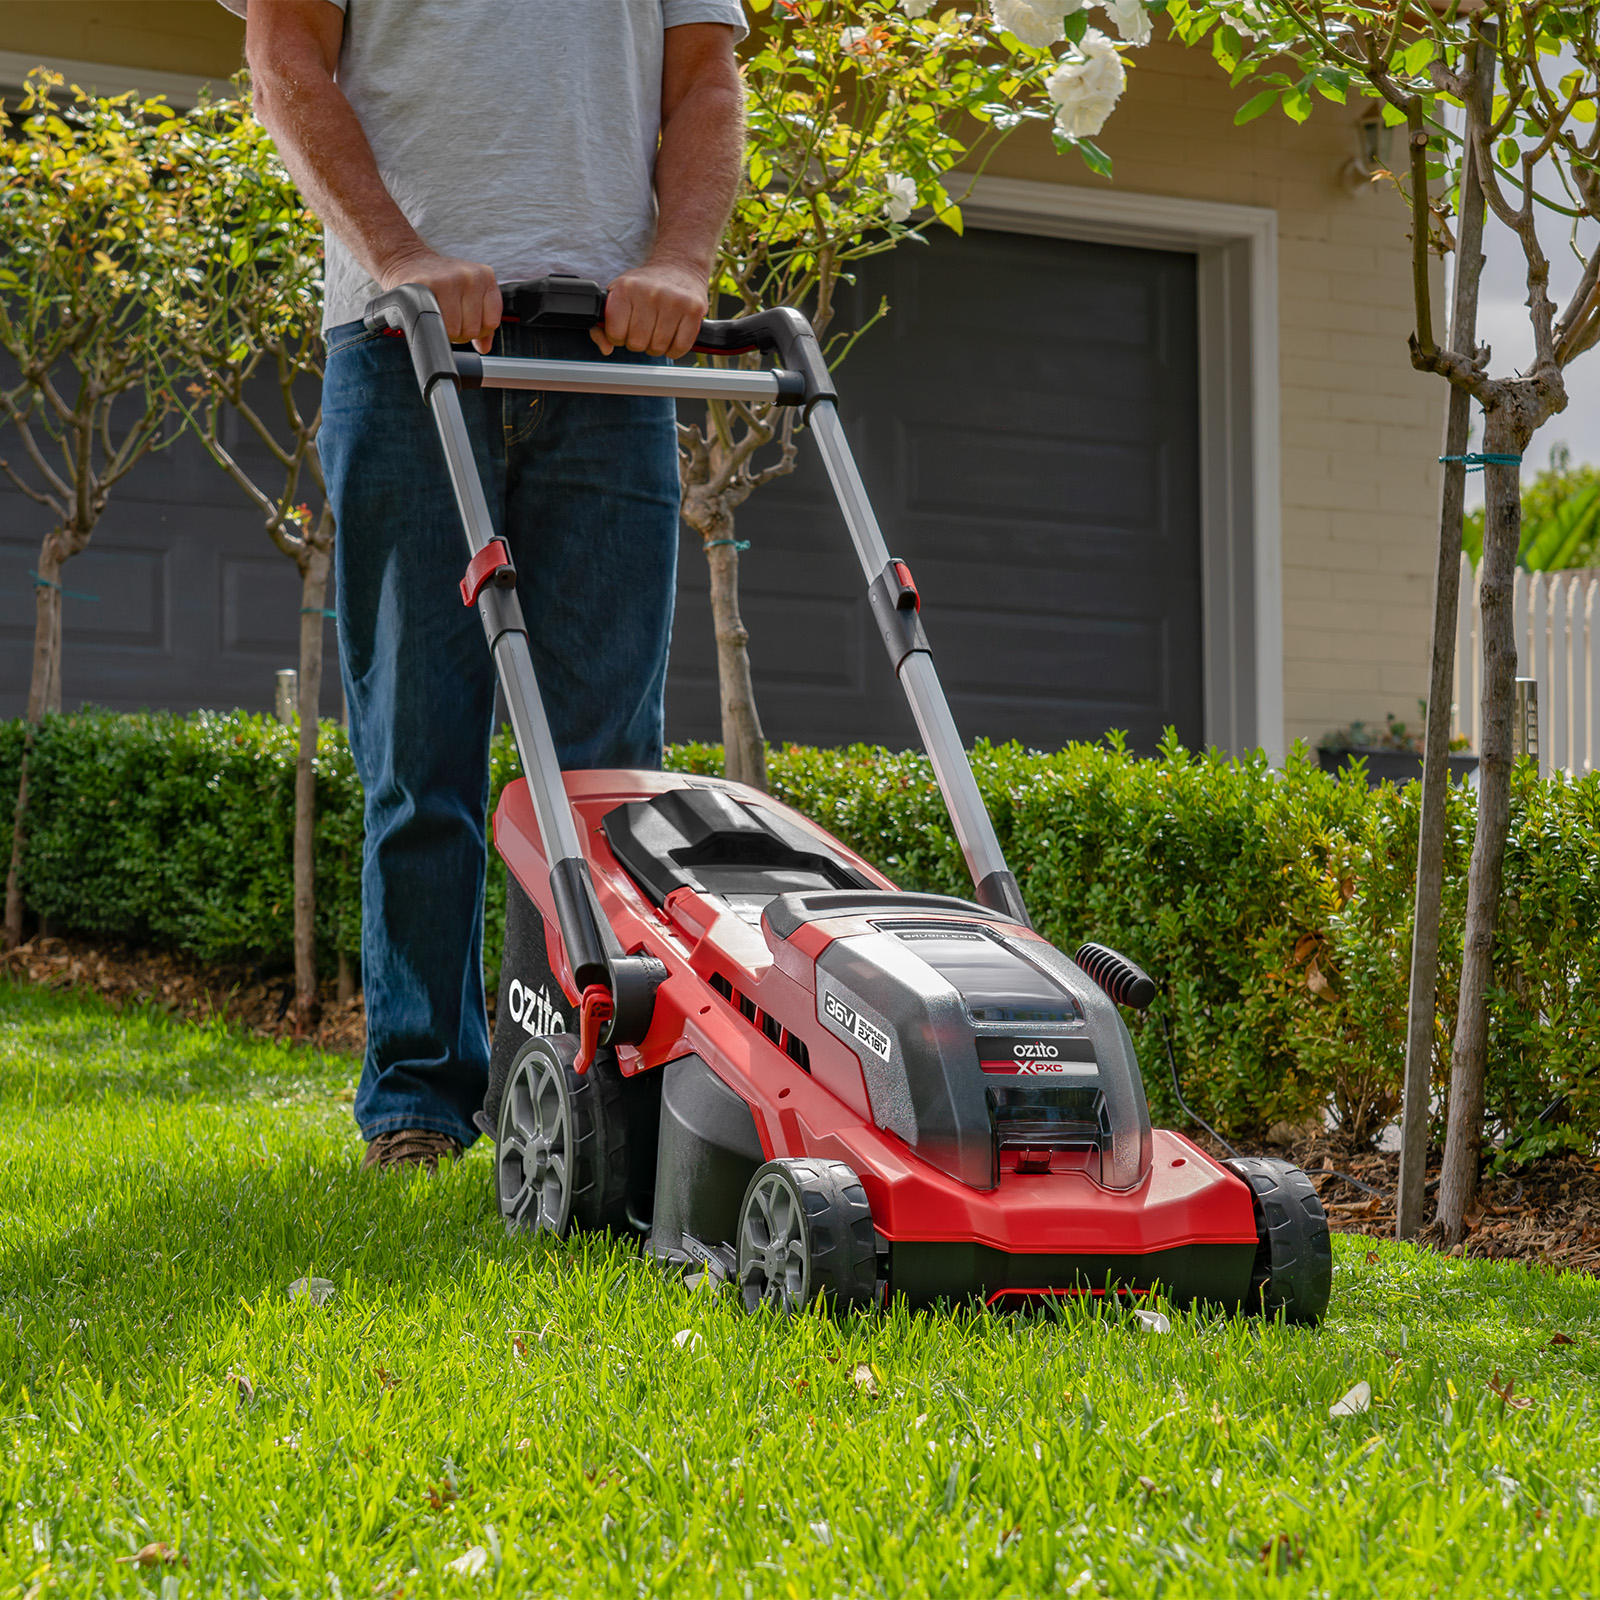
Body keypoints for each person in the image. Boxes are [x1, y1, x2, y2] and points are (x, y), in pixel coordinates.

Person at [236, 0, 747, 1169]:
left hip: (613, 355)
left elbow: (704, 84)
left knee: (609, 770)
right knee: (420, 750)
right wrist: (403, 254)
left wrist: (679, 259)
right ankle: (417, 1100)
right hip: (400, 336)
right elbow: (282, 52)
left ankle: (594, 1091)